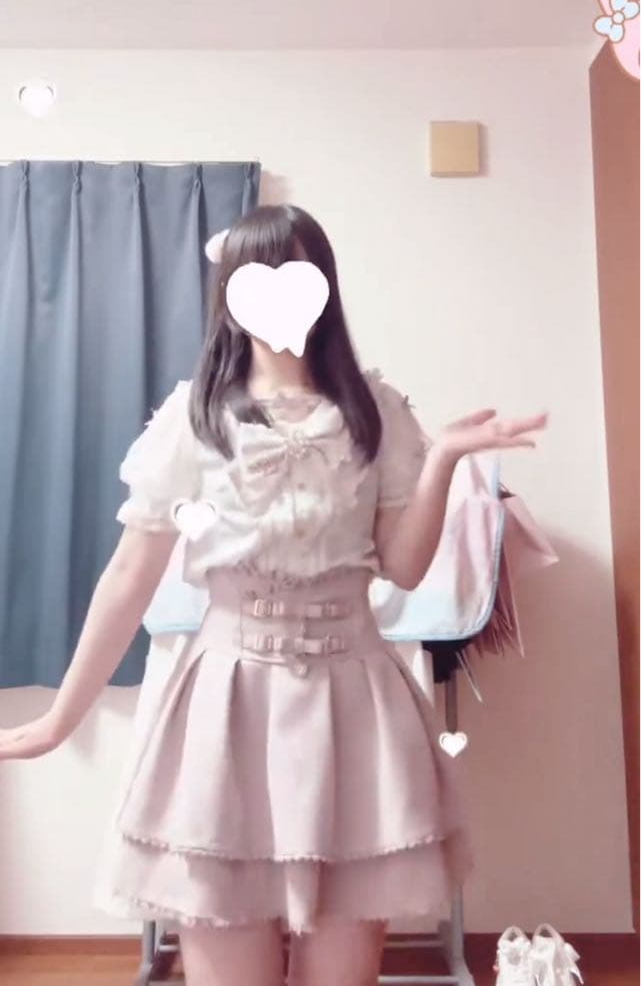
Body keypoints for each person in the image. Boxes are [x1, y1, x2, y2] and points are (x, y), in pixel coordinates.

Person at [0, 204, 547, 986]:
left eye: (297, 273)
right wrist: (60, 719)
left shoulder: (374, 412)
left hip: (354, 703)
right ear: (229, 292)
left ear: (324, 287)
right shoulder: (192, 418)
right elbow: (127, 576)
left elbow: (402, 567)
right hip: (226, 707)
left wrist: (444, 460)